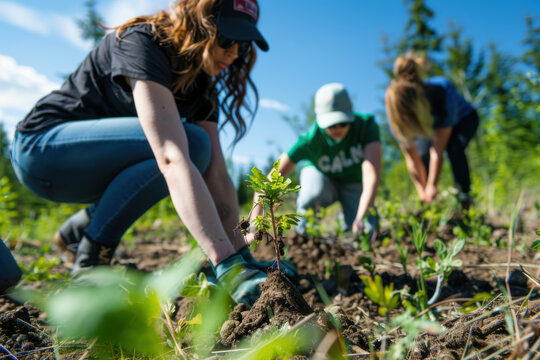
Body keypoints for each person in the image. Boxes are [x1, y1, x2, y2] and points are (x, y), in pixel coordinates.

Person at [10, 0, 270, 307]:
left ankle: (81, 229)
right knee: (190, 144)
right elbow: (170, 156)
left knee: (199, 150)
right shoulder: (143, 41)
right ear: (199, 23)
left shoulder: (201, 86)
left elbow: (217, 174)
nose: (235, 53)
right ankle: (92, 261)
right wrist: (226, 263)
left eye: (244, 45)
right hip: (42, 150)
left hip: (90, 169)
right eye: (227, 38)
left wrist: (244, 257)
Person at [248, 83, 381, 241]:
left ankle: (345, 221)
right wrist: (253, 228)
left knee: (367, 231)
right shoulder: (310, 140)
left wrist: (361, 217)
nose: (337, 128)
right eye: (331, 124)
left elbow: (371, 175)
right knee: (312, 193)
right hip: (322, 179)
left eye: (343, 122)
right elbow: (268, 182)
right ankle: (305, 237)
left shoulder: (366, 126)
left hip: (354, 182)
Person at [385, 54, 479, 208]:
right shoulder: (397, 118)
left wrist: (432, 185)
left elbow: (437, 149)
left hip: (463, 118)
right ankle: (430, 205)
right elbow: (412, 157)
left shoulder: (442, 92)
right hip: (429, 125)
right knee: (422, 155)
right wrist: (422, 191)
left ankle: (464, 198)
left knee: (454, 147)